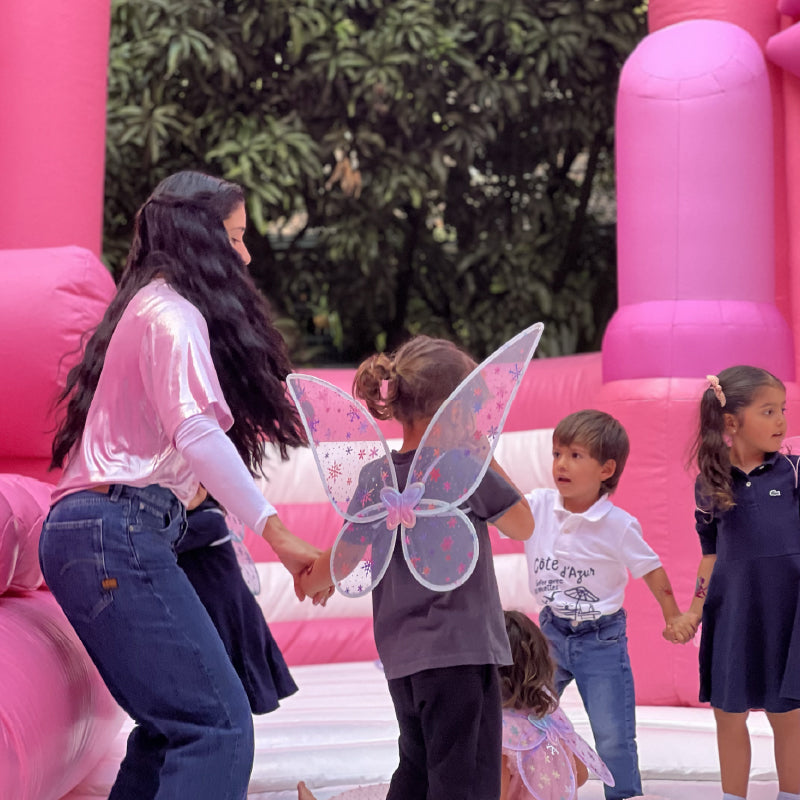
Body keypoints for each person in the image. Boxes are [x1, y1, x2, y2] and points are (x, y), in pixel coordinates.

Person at [39, 170, 322, 800]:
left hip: (103, 533)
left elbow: (176, 462)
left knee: (172, 730)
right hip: (117, 533)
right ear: (200, 236)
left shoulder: (148, 310)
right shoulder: (172, 314)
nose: (246, 255)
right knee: (216, 727)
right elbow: (196, 434)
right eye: (237, 237)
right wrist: (279, 533)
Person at [297, 335, 536, 800]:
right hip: (462, 653)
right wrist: (482, 452)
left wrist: (313, 581)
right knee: (463, 779)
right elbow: (523, 524)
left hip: (403, 660)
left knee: (418, 767)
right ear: (457, 409)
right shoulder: (461, 469)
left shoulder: (376, 477)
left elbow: (348, 554)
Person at [523, 409, 695, 800]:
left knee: (613, 734)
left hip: (601, 639)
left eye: (575, 455)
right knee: (525, 716)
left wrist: (673, 617)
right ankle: (526, 788)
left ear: (606, 469)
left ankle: (625, 795)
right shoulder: (538, 505)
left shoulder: (618, 525)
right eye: (557, 454)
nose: (561, 464)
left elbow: (651, 569)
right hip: (548, 632)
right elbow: (500, 498)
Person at [670, 367, 800, 800]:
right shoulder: (709, 484)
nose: (782, 421)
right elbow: (710, 556)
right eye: (769, 411)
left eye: (782, 410)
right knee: (729, 713)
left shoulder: (795, 474)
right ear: (731, 422)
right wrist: (693, 609)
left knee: (787, 715)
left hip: (787, 612)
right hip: (734, 611)